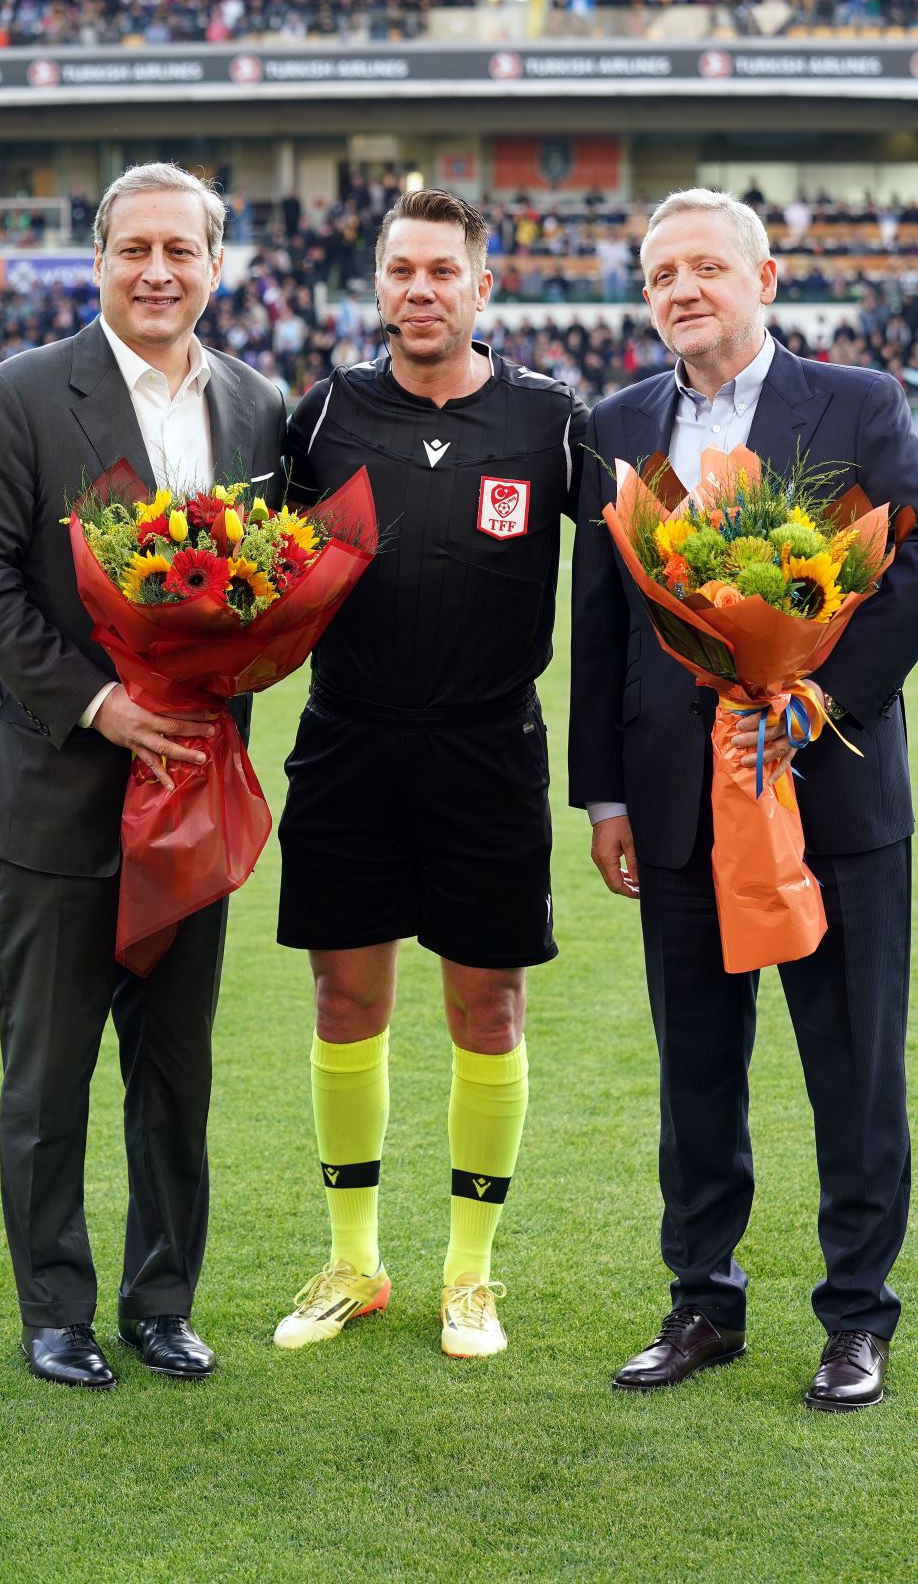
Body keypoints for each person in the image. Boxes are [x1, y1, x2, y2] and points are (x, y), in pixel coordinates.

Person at [569, 189, 918, 1410]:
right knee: (696, 1070)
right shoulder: (617, 423)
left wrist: (824, 695)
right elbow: (600, 624)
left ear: (765, 278)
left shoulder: (856, 402)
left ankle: (857, 1319)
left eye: (704, 268)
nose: (681, 291)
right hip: (677, 803)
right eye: (659, 276)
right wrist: (601, 799)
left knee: (852, 1067)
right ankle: (703, 1303)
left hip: (830, 800)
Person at [0, 163, 286, 1390]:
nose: (157, 272)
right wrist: (101, 706)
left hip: (195, 794)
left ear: (213, 265)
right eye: (133, 250)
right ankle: (56, 1312)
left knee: (174, 1069)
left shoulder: (259, 409)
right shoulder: (22, 396)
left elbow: (272, 585)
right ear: (98, 262)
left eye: (180, 252)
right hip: (58, 795)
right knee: (48, 1074)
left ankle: (161, 1302)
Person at [271, 189, 587, 1361]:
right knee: (346, 1001)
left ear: (481, 287)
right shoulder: (323, 416)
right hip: (347, 744)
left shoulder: (553, 421)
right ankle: (355, 1262)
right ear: (379, 287)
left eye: (442, 272)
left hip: (489, 751)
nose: (419, 290)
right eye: (400, 271)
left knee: (486, 1009)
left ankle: (471, 1276)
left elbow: (611, 590)